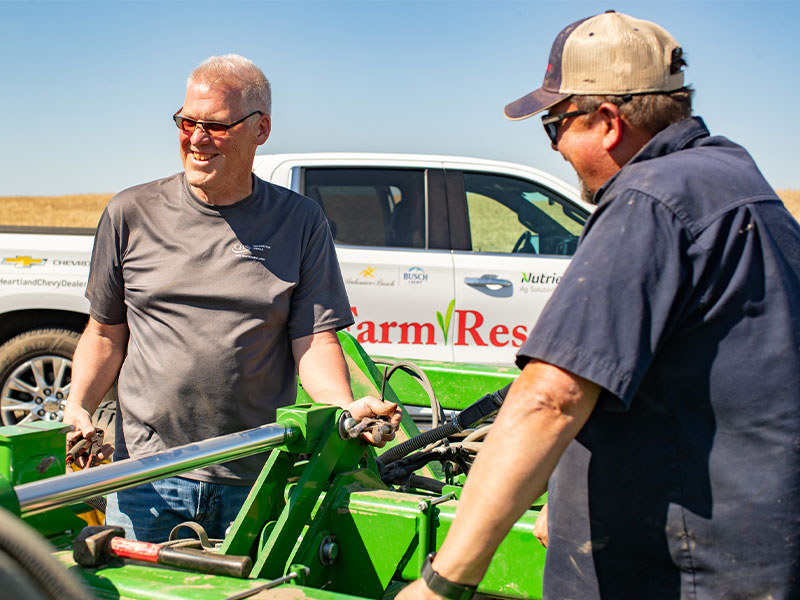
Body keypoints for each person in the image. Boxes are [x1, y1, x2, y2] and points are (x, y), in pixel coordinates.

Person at [399, 11, 800, 600]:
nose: (557, 146)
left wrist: (442, 582)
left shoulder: (649, 199)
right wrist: (562, 497)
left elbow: (550, 397)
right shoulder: (733, 179)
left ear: (608, 122)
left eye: (555, 125)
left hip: (681, 573)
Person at [64, 54, 401, 543]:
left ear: (260, 129)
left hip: (254, 475)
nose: (197, 139)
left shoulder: (299, 222)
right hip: (146, 476)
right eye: (187, 122)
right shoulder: (130, 213)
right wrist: (79, 405)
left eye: (216, 126)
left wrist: (343, 408)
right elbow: (104, 334)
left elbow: (313, 342)